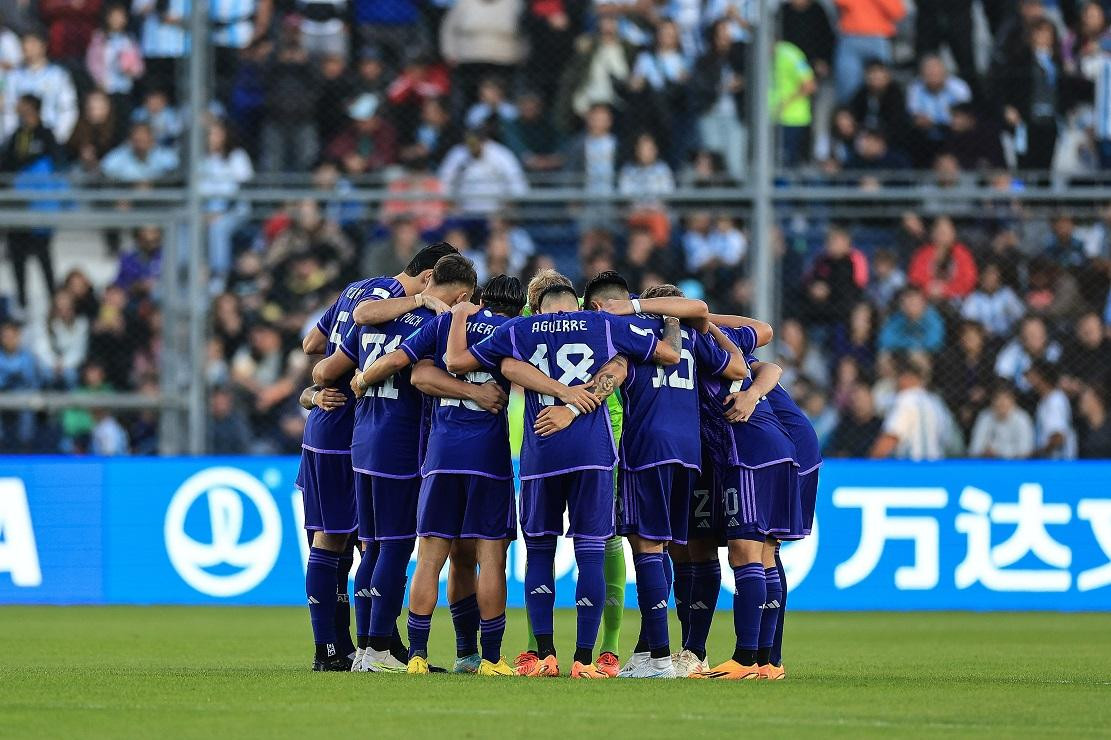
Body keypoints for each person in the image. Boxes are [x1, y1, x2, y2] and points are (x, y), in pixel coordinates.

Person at [445, 281, 679, 679]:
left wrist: (459, 316)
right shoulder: (603, 324)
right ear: (576, 306)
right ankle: (585, 660)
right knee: (591, 551)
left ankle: (544, 655)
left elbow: (458, 362)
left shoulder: (520, 330)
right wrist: (672, 319)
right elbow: (666, 354)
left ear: (542, 308)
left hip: (541, 451)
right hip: (594, 453)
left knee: (539, 552)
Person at [347, 275, 528, 676]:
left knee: (429, 560)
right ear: (519, 308)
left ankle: (417, 655)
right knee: (490, 558)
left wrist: (360, 379)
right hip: (487, 458)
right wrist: (482, 392)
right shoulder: (513, 330)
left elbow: (416, 374)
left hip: (440, 456)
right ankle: (492, 659)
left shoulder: (447, 322)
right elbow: (520, 375)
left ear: (478, 298)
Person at [292, 241, 459, 672]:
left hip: (343, 430)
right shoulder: (392, 300)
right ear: (428, 279)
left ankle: (361, 645)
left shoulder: (356, 289)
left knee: (360, 543)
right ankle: (335, 648)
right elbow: (350, 343)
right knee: (348, 540)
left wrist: (313, 391)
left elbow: (314, 345)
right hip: (351, 430)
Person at [589, 277, 748, 679]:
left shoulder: (631, 332)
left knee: (647, 546)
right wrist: (706, 326)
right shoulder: (694, 341)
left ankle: (658, 658)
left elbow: (617, 372)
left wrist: (578, 400)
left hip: (648, 448)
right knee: (668, 548)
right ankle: (650, 651)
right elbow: (739, 366)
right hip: (689, 453)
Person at [687, 319, 801, 681]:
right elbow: (769, 363)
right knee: (766, 552)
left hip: (746, 449)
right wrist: (753, 394)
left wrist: (750, 396)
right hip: (777, 447)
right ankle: (766, 662)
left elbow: (746, 362)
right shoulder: (723, 335)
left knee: (744, 552)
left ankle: (745, 659)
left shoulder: (693, 342)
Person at [3, 29, 77, 141]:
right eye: (24, 43)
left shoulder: (58, 75)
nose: (27, 47)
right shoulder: (14, 77)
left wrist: (58, 138)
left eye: (32, 43)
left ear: (43, 46)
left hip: (49, 136)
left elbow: (68, 109)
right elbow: (9, 110)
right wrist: (11, 139)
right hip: (21, 139)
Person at [870, 353, 945, 460]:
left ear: (906, 377)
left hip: (911, 469)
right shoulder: (935, 402)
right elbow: (949, 441)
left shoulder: (905, 400)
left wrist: (868, 466)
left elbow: (888, 440)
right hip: (937, 467)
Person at [1025, 360, 1078, 460]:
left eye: (1032, 374)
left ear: (1040, 377)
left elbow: (1058, 437)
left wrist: (1037, 454)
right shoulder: (1045, 400)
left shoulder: (1055, 400)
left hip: (1059, 464)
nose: (1028, 379)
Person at [968, 382, 1035, 459]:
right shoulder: (984, 417)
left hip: (1015, 466)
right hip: (988, 465)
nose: (1001, 402)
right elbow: (974, 449)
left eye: (1006, 398)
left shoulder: (1022, 418)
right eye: (997, 398)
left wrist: (998, 453)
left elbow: (1025, 451)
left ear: (1013, 400)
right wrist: (985, 453)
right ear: (992, 401)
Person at [828, 381, 883, 457]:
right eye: (855, 400)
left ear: (871, 399)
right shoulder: (844, 425)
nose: (858, 404)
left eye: (861, 399)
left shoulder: (881, 425)